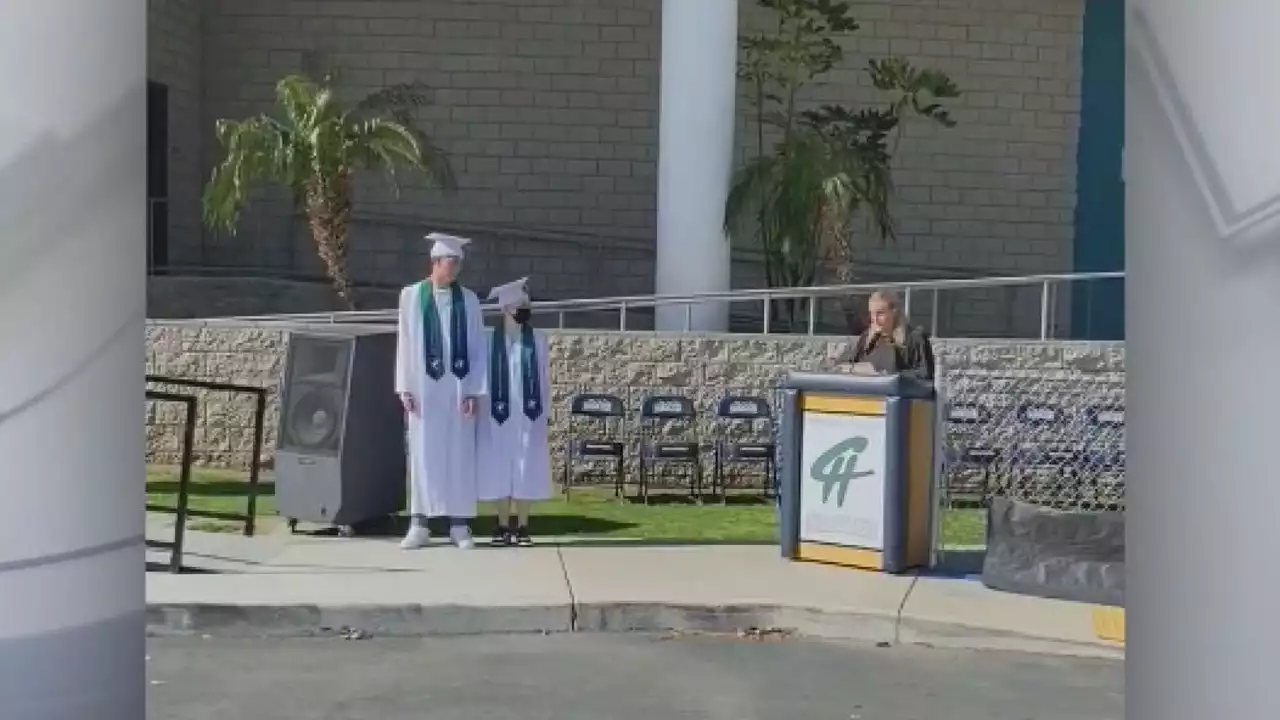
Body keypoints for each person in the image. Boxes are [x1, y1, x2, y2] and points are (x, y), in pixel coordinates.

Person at [394, 232, 488, 550]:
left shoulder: (470, 300)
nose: (456, 269)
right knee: (423, 454)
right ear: (435, 262)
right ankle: (419, 522)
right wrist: (404, 386)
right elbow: (405, 342)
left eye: (459, 263)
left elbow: (477, 347)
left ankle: (459, 525)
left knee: (459, 455)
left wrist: (473, 390)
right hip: (423, 387)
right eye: (452, 262)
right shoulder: (411, 296)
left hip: (458, 388)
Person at [476, 277, 552, 547]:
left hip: (527, 415)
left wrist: (546, 413)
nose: (524, 309)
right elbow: (481, 378)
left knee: (525, 467)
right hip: (495, 415)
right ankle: (500, 524)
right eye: (520, 305)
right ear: (506, 308)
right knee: (497, 467)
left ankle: (522, 526)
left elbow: (544, 379)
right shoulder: (487, 342)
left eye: (526, 304)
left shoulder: (538, 340)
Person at [848, 289, 936, 381]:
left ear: (895, 311)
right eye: (872, 313)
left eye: (880, 313)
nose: (874, 319)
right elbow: (850, 364)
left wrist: (891, 376)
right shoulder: (866, 338)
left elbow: (925, 374)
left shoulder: (915, 339)